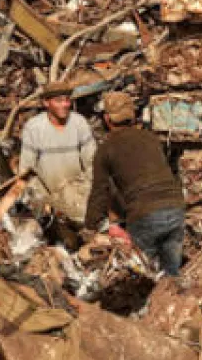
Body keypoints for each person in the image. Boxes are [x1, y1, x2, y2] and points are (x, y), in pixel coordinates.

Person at [85, 91, 187, 277]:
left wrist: (90, 225)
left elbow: (100, 192)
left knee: (141, 276)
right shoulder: (151, 138)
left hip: (144, 214)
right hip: (175, 207)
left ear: (107, 119)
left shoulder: (105, 149)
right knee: (171, 273)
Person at [18, 80, 96, 226]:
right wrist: (41, 199)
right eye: (58, 101)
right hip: (48, 195)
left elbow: (91, 162)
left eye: (67, 100)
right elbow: (26, 170)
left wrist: (84, 190)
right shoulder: (34, 128)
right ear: (46, 103)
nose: (65, 105)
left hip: (77, 193)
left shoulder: (79, 123)